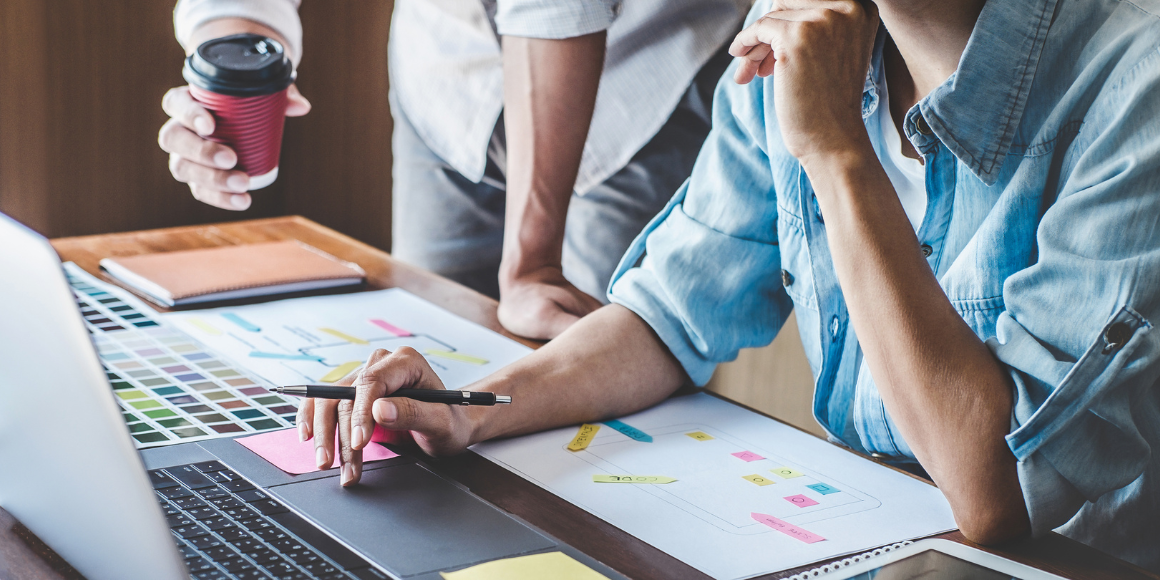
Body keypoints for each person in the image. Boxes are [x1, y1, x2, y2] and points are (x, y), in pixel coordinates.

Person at [301, 0, 1160, 571]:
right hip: (871, 544)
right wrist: (467, 403)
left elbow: (1000, 495)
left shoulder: (1134, 81)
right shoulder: (803, 28)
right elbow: (671, 310)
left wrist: (835, 153)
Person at [159, 0, 748, 340]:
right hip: (446, 74)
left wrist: (532, 264)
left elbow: (553, 9)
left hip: (640, 84)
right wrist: (234, 52)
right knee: (424, 350)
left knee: (599, 384)